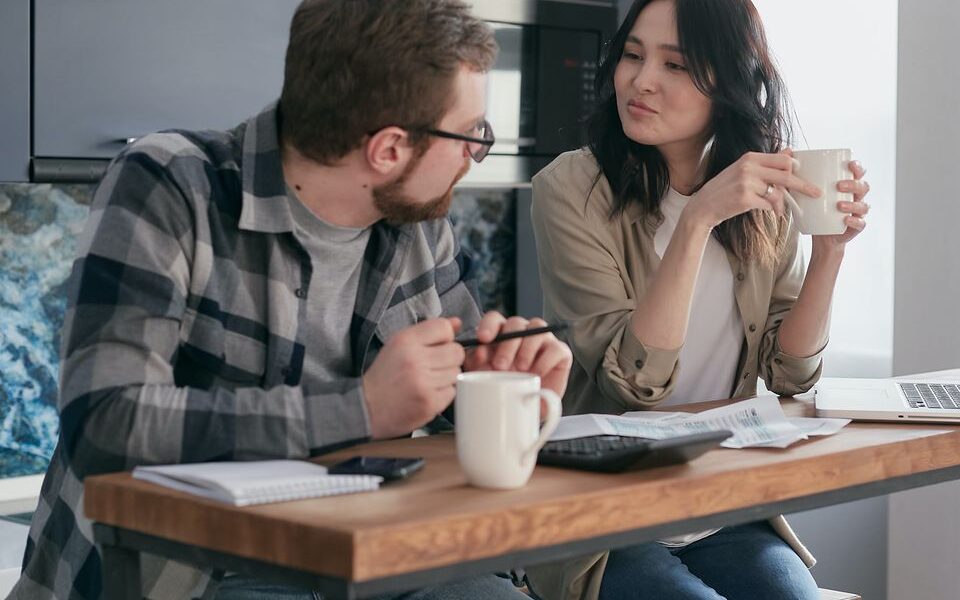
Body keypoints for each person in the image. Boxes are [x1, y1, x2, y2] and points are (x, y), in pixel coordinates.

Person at [10, 1, 573, 598]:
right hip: (196, 566)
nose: (473, 153)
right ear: (387, 149)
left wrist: (503, 390)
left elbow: (447, 389)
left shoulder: (418, 220)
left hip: (371, 543)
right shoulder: (171, 183)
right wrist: (361, 409)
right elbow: (105, 423)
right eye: (469, 134)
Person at [525, 0, 871, 599]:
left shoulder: (766, 196)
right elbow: (630, 386)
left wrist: (830, 253)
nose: (641, 80)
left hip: (720, 502)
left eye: (676, 65)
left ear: (730, 84)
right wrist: (697, 219)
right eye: (632, 55)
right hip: (606, 519)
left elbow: (790, 373)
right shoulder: (569, 190)